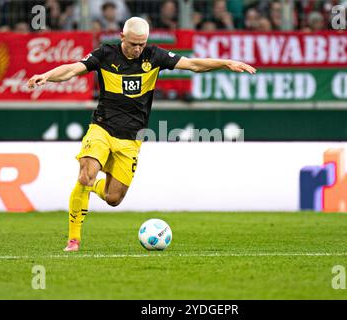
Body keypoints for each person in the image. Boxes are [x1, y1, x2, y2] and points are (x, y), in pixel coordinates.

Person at [27, 17, 256, 252]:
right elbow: (72, 69)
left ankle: (93, 186)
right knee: (86, 173)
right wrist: (47, 75)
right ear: (122, 37)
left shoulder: (153, 56)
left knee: (113, 198)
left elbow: (193, 64)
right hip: (102, 128)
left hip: (131, 139)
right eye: (133, 44)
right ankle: (74, 239)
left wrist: (226, 62)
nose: (137, 49)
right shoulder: (106, 54)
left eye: (142, 44)